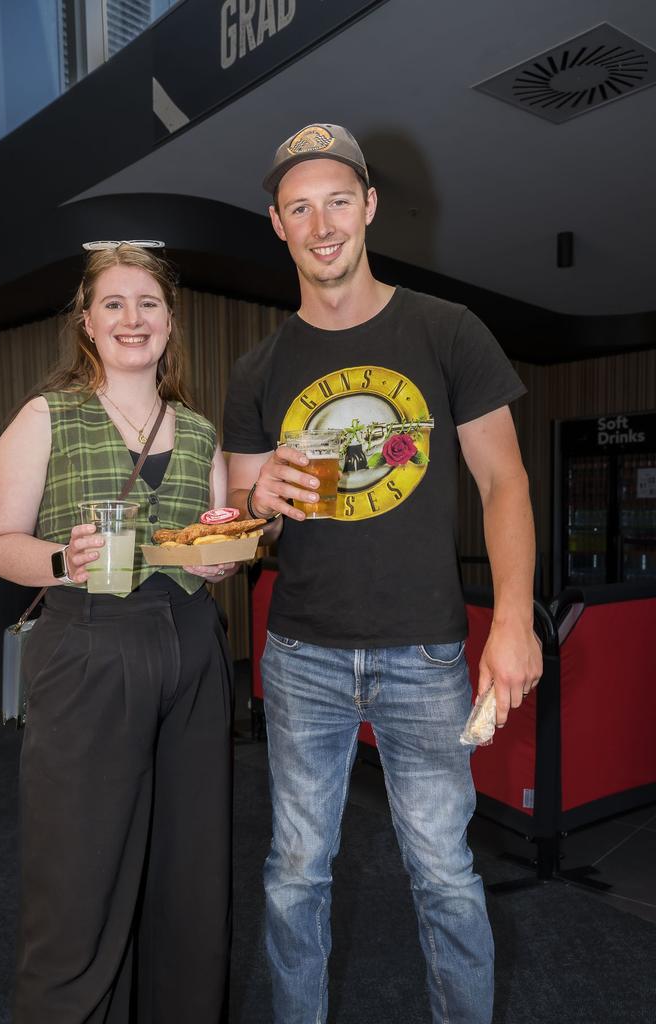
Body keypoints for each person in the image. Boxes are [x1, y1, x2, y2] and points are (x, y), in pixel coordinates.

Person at [223, 124, 543, 1024]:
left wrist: (514, 621)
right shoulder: (258, 368)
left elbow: (504, 480)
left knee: (443, 870)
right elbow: (240, 520)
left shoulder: (446, 330)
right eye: (299, 208)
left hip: (427, 655)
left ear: (367, 208)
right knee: (294, 873)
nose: (320, 224)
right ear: (277, 226)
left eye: (336, 201)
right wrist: (261, 501)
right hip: (300, 657)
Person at [0, 242, 235, 1024]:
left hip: (192, 650)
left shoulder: (198, 431)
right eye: (114, 303)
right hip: (87, 647)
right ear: (86, 321)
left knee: (192, 878)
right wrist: (61, 558)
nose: (133, 318)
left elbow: (213, 535)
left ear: (170, 320)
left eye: (148, 303)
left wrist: (222, 555)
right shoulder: (45, 416)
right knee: (78, 878)